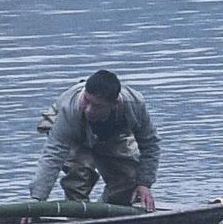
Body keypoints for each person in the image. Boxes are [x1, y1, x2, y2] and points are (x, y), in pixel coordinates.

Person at [32, 69, 159, 206]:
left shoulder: (134, 105)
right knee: (77, 179)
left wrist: (145, 183)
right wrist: (38, 198)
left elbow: (150, 144)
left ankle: (106, 213)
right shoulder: (69, 109)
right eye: (86, 101)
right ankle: (78, 216)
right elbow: (53, 155)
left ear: (115, 104)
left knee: (127, 182)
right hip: (72, 131)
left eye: (97, 106)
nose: (89, 109)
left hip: (110, 133)